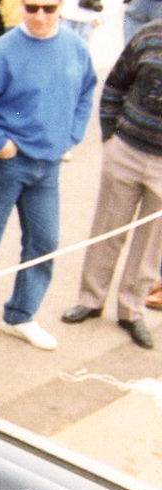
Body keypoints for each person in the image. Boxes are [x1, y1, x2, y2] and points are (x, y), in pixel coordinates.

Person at [0, 0, 97, 348]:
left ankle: (21, 314)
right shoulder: (2, 52)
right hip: (9, 160)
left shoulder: (75, 47)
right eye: (32, 8)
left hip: (48, 164)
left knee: (44, 241)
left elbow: (87, 91)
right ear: (20, 4)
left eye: (48, 9)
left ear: (61, 5)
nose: (39, 16)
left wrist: (71, 135)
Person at [60, 20, 162, 348]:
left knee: (150, 243)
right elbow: (116, 85)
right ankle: (90, 300)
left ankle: (132, 311)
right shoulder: (149, 35)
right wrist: (110, 136)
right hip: (127, 149)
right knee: (108, 228)